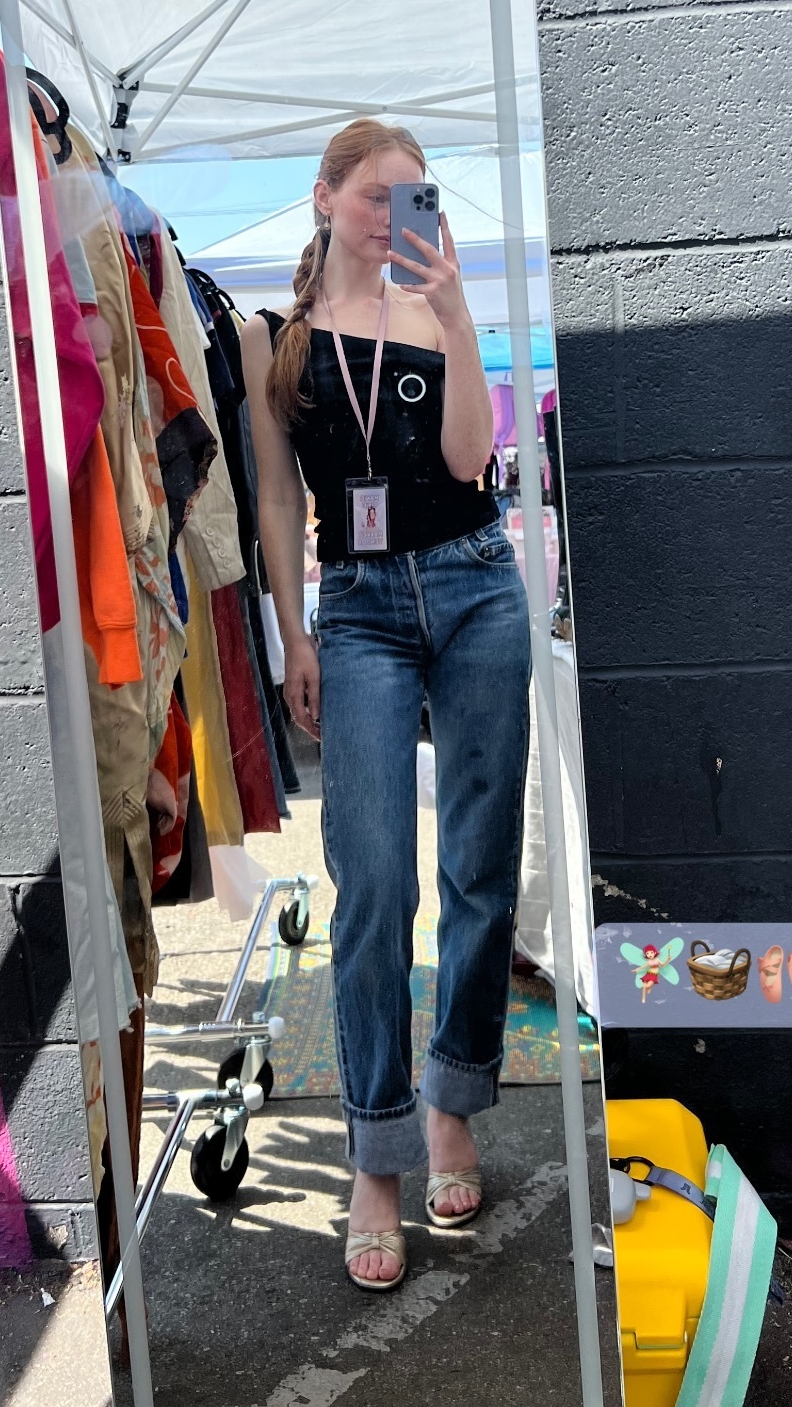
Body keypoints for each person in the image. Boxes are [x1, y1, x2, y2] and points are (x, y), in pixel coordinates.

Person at [241, 119, 531, 1292]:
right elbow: (275, 497)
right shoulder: (274, 338)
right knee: (372, 883)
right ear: (323, 197)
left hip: (476, 583)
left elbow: (470, 463)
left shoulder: (434, 306)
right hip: (356, 605)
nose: (394, 215)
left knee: (480, 863)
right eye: (375, 194)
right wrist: (292, 634)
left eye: (415, 197)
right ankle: (376, 1149)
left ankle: (453, 1096)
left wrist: (457, 320)